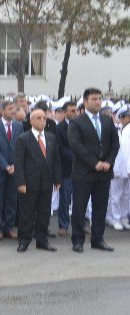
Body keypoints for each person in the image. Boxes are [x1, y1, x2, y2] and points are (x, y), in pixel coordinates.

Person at [68, 87, 120, 253]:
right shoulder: (77, 122)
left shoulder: (107, 121)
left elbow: (114, 144)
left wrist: (108, 162)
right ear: (85, 102)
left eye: (99, 98)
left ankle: (98, 239)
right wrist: (94, 163)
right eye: (94, 99)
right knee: (79, 207)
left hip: (104, 172)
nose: (98, 102)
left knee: (100, 207)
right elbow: (76, 146)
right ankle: (77, 240)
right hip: (84, 172)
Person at [14, 109, 61, 252]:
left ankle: (42, 240)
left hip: (46, 181)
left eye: (44, 118)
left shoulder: (51, 138)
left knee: (44, 213)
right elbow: (19, 163)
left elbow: (56, 161)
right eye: (38, 118)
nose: (42, 121)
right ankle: (24, 240)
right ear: (31, 120)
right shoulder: (23, 138)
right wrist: (21, 182)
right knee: (27, 213)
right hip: (29, 182)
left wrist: (57, 180)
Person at [0, 99, 22, 239]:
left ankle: (9, 227)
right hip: (0, 169)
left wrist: (15, 165)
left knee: (12, 199)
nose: (13, 111)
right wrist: (5, 165)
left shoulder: (18, 126)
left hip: (15, 169)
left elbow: (20, 147)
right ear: (2, 111)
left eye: (14, 108)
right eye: (10, 108)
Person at [56, 101, 77, 236]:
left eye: (76, 110)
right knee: (65, 198)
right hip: (66, 169)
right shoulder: (59, 128)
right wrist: (76, 156)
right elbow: (60, 148)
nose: (75, 113)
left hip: (82, 169)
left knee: (80, 199)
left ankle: (79, 225)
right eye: (72, 111)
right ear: (64, 113)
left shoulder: (82, 126)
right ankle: (63, 224)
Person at [109, 104, 130, 230]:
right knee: (116, 195)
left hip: (128, 167)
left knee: (126, 194)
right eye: (126, 116)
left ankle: (124, 217)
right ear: (121, 118)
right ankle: (115, 218)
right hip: (117, 167)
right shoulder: (116, 130)